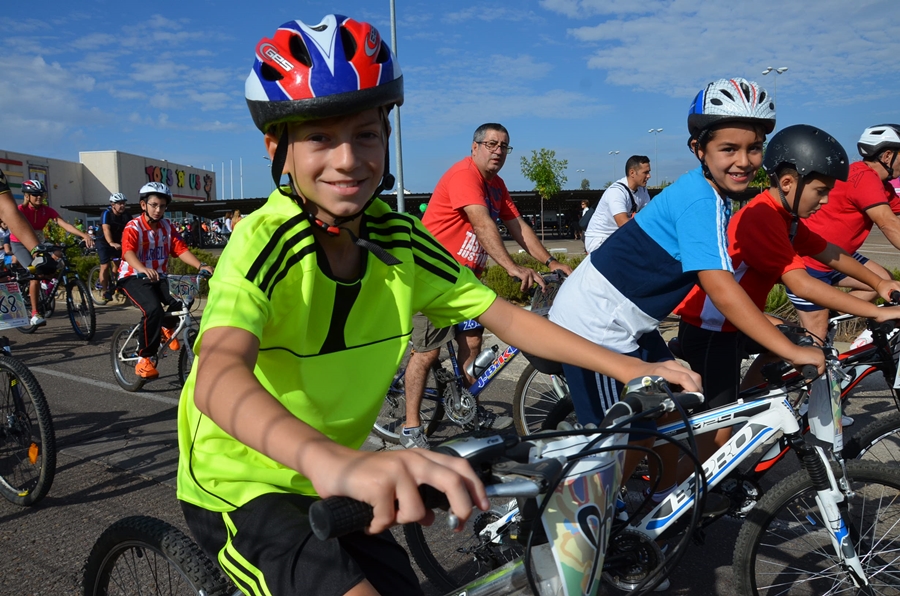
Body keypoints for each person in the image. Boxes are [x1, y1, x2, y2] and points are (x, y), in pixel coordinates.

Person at [174, 15, 700, 596]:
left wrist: (634, 368)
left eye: (366, 134)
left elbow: (510, 319)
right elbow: (217, 374)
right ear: (278, 148)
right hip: (245, 480)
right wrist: (331, 461)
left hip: (335, 475)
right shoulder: (263, 243)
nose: (347, 159)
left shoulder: (399, 239)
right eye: (320, 137)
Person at [548, 78, 824, 511]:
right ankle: (580, 530)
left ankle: (655, 511)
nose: (744, 161)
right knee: (609, 453)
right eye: (728, 149)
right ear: (699, 149)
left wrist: (772, 325)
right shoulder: (700, 200)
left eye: (754, 148)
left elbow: (719, 291)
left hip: (630, 324)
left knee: (676, 415)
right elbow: (721, 289)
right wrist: (792, 349)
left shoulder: (711, 195)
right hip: (593, 327)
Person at [675, 124, 900, 464]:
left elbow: (828, 251)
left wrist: (880, 283)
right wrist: (877, 312)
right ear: (788, 183)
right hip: (711, 329)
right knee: (719, 423)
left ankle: (749, 407)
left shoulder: (786, 217)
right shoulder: (762, 217)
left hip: (738, 324)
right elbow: (802, 284)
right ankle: (694, 488)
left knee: (787, 341)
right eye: (820, 191)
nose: (824, 202)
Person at [400, 122, 574, 448]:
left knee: (474, 347)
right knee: (427, 352)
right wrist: (510, 267)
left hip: (467, 281)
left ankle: (466, 406)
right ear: (475, 146)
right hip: (431, 277)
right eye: (492, 144)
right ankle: (411, 428)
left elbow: (517, 226)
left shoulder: (498, 185)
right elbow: (481, 222)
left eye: (504, 146)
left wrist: (550, 263)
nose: (498, 151)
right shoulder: (465, 176)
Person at [786, 124, 900, 343]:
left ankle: (831, 317)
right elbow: (889, 224)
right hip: (810, 264)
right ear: (887, 155)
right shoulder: (864, 178)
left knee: (884, 279)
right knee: (815, 343)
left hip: (836, 257)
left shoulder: (879, 184)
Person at [118, 182, 213, 379]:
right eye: (153, 205)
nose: (158, 210)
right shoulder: (133, 226)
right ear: (143, 205)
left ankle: (165, 327)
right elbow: (127, 253)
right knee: (153, 309)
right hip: (133, 277)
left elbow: (180, 249)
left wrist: (200, 266)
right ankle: (144, 358)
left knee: (185, 297)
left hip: (159, 276)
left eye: (162, 206)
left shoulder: (167, 227)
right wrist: (143, 269)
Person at [10, 179, 94, 326]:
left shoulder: (46, 210)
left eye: (41, 194)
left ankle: (46, 281)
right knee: (35, 273)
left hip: (38, 241)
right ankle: (35, 314)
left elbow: (65, 225)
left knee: (58, 253)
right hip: (19, 243)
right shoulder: (20, 210)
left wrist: (84, 235)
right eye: (34, 194)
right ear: (27, 196)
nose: (39, 197)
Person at [583, 155, 652, 252]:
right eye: (645, 172)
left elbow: (649, 217)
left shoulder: (642, 191)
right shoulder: (617, 192)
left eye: (649, 172)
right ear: (632, 172)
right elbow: (623, 223)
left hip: (617, 238)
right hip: (600, 240)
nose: (649, 176)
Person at [96, 192, 132, 303]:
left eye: (123, 203)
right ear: (113, 205)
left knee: (121, 264)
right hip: (103, 242)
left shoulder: (126, 214)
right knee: (105, 266)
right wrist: (111, 242)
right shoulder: (107, 213)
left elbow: (132, 228)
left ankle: (117, 285)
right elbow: (106, 229)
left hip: (117, 242)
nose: (122, 206)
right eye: (119, 203)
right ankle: (104, 291)